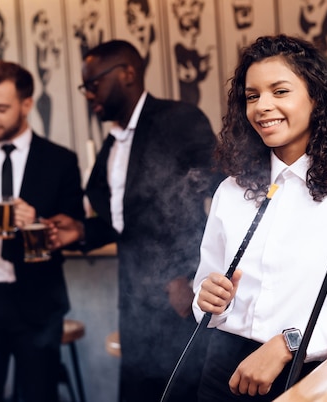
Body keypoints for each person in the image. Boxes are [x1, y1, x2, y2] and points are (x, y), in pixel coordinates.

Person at [192, 35, 327, 401]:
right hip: (226, 370)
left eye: (280, 91)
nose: (263, 106)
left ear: (317, 98)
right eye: (253, 96)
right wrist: (210, 299)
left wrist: (288, 344)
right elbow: (206, 297)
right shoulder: (230, 191)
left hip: (317, 373)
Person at [52, 39, 221, 401]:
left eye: (92, 83)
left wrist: (188, 275)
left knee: (180, 393)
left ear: (127, 73)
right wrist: (81, 231)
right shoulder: (112, 142)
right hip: (132, 300)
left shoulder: (179, 119)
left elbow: (223, 199)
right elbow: (127, 224)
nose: (87, 94)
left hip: (179, 298)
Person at [0, 60, 85, 402]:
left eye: (0, 108)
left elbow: (75, 228)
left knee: (39, 395)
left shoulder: (60, 161)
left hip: (38, 301)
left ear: (26, 104)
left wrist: (38, 220)